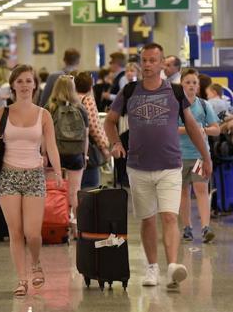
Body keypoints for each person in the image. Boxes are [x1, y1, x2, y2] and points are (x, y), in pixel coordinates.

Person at [104, 42, 213, 290]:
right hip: (138, 166)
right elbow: (109, 122)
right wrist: (115, 144)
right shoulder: (129, 91)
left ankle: (172, 266)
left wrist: (205, 158)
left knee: (168, 216)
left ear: (162, 63)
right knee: (148, 219)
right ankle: (152, 267)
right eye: (144, 60)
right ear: (140, 63)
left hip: (170, 165)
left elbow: (194, 128)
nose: (148, 65)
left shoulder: (175, 92)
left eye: (153, 60)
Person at [0, 64, 62, 297]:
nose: (24, 85)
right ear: (13, 85)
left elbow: (51, 146)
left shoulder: (44, 114)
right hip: (8, 176)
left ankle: (35, 262)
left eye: (28, 81)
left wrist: (58, 170)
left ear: (35, 85)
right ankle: (22, 279)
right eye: (20, 81)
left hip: (35, 175)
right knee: (15, 232)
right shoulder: (2, 113)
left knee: (33, 233)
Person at [178, 69, 219, 243]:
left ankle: (205, 227)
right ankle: (187, 227)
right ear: (181, 84)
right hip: (178, 156)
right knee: (183, 192)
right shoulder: (175, 106)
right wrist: (191, 129)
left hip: (199, 155)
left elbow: (216, 129)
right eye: (187, 82)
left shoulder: (204, 105)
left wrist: (203, 129)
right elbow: (170, 129)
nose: (191, 86)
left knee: (201, 189)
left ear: (199, 85)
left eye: (194, 82)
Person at [45, 75, 88, 230]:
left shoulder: (50, 107)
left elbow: (45, 135)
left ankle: (57, 224)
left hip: (54, 153)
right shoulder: (80, 108)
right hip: (75, 153)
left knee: (55, 190)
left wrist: (44, 154)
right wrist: (85, 155)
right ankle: (76, 227)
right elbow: (86, 136)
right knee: (75, 192)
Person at [75, 72, 110, 188]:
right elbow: (94, 127)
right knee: (92, 186)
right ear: (91, 86)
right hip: (87, 150)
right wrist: (104, 147)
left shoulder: (71, 98)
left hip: (71, 148)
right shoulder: (87, 99)